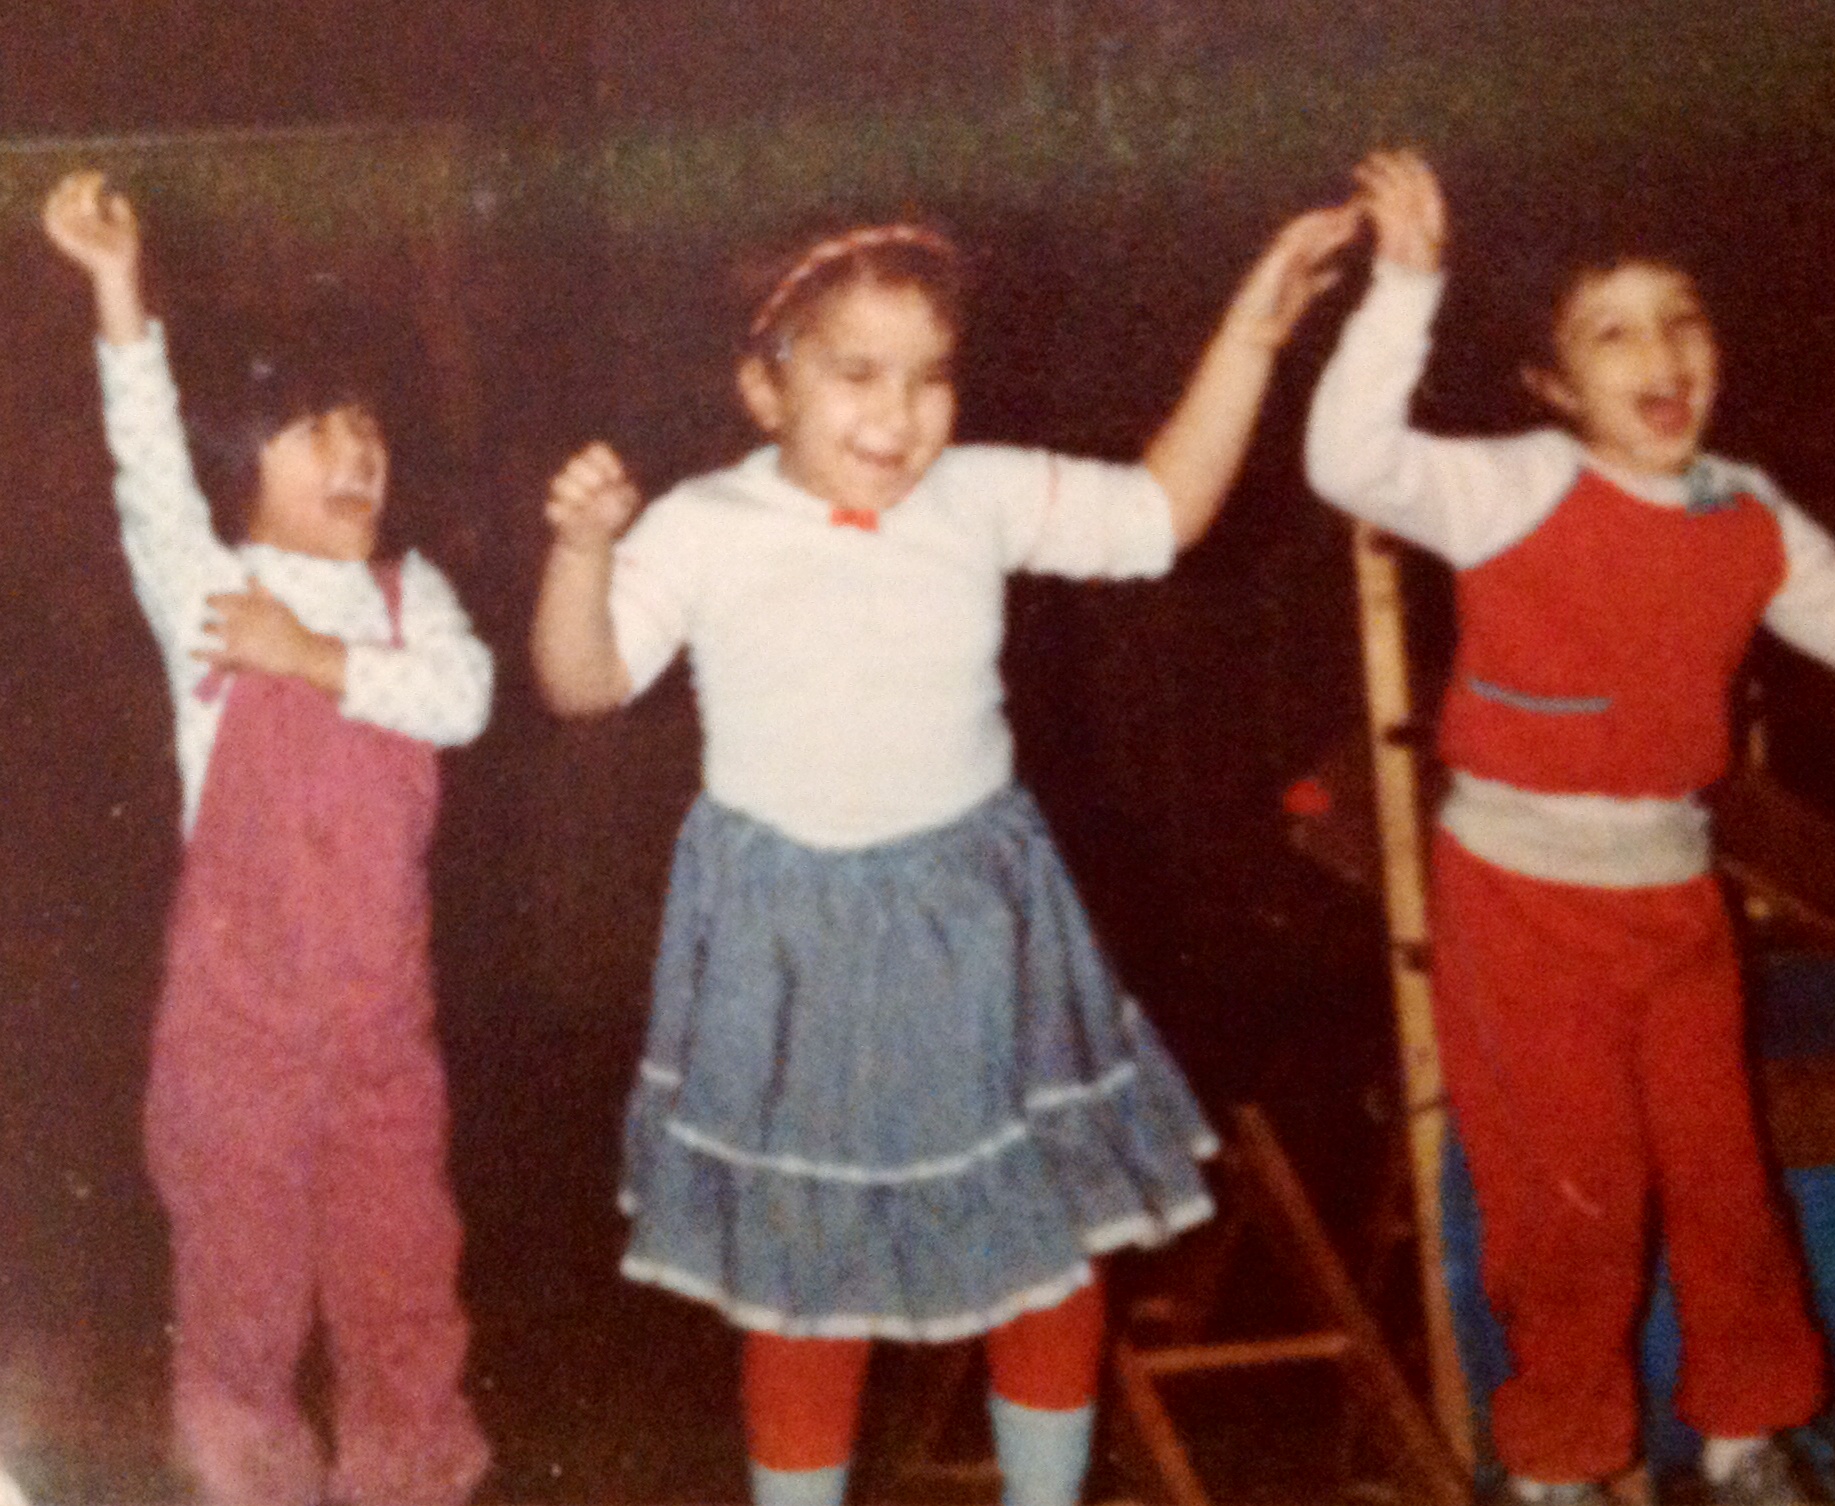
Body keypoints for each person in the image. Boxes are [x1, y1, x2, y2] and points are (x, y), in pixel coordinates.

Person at [531, 203, 1362, 1506]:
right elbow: (582, 680)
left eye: (929, 376)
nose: (898, 411)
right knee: (806, 1280)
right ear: (766, 387)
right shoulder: (702, 523)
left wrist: (1253, 331)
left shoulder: (974, 492)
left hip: (976, 921)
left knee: (1041, 1247)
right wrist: (582, 555)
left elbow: (1164, 511)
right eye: (856, 372)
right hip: (792, 945)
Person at [1303, 149, 1835, 1505]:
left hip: (1672, 895)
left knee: (1723, 1179)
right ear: (1552, 385)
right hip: (1520, 902)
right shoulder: (1520, 483)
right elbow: (1347, 459)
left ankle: (1751, 1436)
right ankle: (1560, 1464)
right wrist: (1404, 284)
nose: (1662, 353)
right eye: (1613, 332)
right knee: (1570, 1196)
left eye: (1682, 318)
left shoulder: (1740, 508)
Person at [42, 170, 494, 1506]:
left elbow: (463, 698)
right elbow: (146, 465)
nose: (356, 446)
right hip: (234, 1032)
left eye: (367, 422)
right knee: (240, 1285)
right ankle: (246, 1480)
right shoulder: (207, 587)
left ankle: (408, 1475)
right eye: (312, 425)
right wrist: (118, 288)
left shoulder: (414, 598)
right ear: (240, 460)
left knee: (402, 1275)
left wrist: (313, 657)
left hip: (381, 1032)